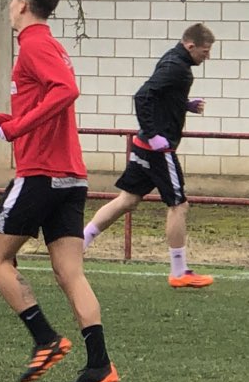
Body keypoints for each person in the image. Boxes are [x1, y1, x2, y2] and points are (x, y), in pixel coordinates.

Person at [0, 0, 118, 382]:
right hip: (69, 176)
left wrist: (15, 129)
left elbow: (66, 91)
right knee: (70, 273)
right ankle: (100, 364)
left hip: (41, 174)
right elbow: (43, 105)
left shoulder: (33, 44)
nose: (8, 5)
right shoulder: (46, 45)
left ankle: (45, 339)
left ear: (22, 3)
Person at [80, 24, 217, 288]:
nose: (207, 57)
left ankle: (80, 242)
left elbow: (159, 95)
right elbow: (142, 96)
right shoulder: (177, 67)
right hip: (157, 149)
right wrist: (154, 135)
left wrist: (183, 104)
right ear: (191, 46)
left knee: (127, 200)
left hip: (143, 145)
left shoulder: (173, 59)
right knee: (178, 205)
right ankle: (179, 271)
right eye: (205, 51)